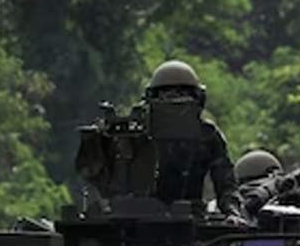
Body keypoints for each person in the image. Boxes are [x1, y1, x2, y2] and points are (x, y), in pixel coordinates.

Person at [76, 60, 244, 219]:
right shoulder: (134, 133)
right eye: (165, 97)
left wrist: (233, 212)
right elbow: (97, 177)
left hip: (190, 218)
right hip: (135, 219)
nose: (173, 103)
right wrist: (98, 142)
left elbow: (225, 182)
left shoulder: (207, 135)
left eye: (181, 96)